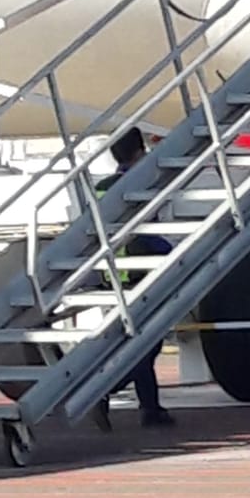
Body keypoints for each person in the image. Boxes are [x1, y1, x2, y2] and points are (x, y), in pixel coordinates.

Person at [93, 127, 174, 428]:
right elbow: (145, 233)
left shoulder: (102, 186)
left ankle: (151, 408)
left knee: (139, 344)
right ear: (139, 152)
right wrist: (172, 252)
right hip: (139, 273)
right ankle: (103, 391)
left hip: (113, 273)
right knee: (146, 346)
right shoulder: (140, 184)